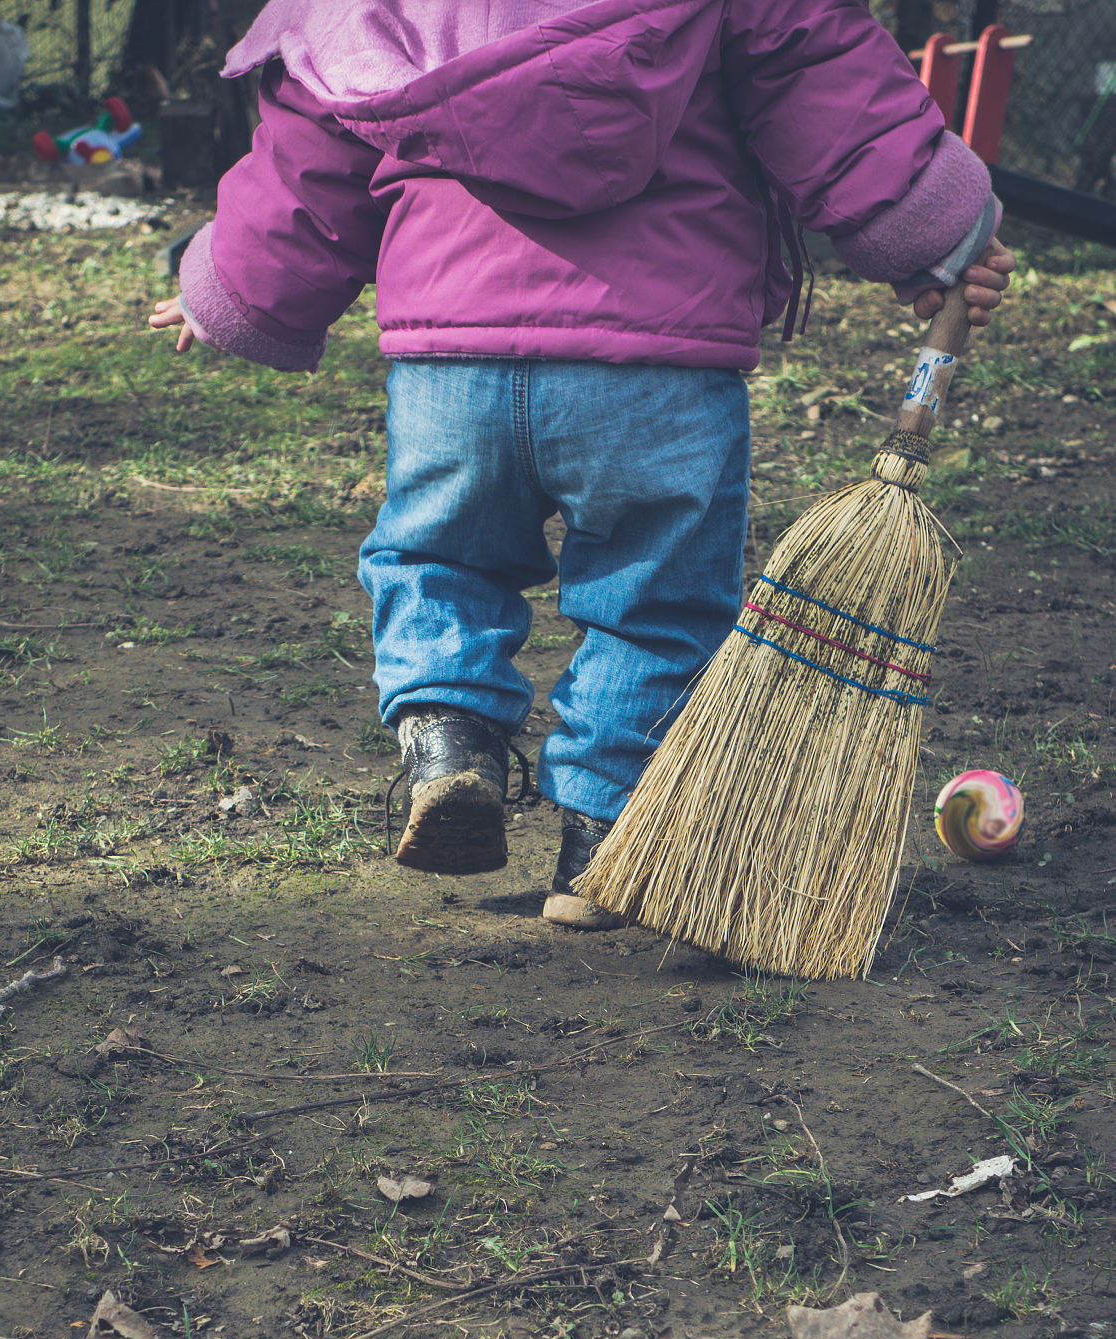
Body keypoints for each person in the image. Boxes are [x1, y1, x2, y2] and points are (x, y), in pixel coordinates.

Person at [150, 0, 1013, 927]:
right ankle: (603, 836)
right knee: (657, 600)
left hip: (451, 360)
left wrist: (228, 286)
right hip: (655, 359)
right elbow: (834, 97)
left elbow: (310, 150)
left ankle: (447, 741)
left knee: (440, 555)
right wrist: (940, 243)